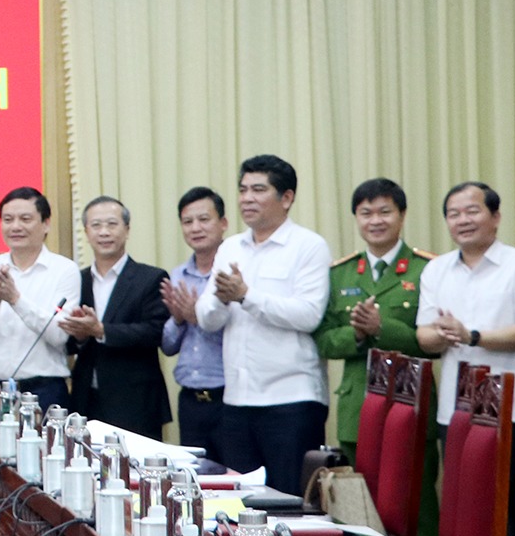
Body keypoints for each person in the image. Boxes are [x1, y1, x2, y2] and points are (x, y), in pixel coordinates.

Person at [414, 181, 515, 536]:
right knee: (464, 511)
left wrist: (471, 335)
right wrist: (441, 335)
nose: (462, 220)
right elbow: (423, 336)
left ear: (496, 216)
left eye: (472, 211)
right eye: (453, 214)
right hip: (455, 410)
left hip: (511, 409)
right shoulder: (436, 270)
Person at [195, 156, 332, 496]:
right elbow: (207, 319)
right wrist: (222, 299)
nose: (247, 198)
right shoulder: (230, 247)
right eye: (242, 190)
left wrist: (245, 295)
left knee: (290, 500)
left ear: (287, 198)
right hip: (237, 400)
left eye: (258, 190)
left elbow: (308, 314)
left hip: (291, 400)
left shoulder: (308, 246)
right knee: (243, 501)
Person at [314, 178, 434, 472]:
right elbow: (324, 341)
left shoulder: (427, 269)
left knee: (415, 495)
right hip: (357, 406)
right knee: (358, 496)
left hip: (411, 402)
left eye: (385, 212)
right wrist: (356, 333)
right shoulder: (339, 273)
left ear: (402, 215)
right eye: (366, 213)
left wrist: (381, 329)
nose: (376, 221)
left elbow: (435, 344)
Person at [0, 187, 81, 413]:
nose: (15, 227)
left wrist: (15, 299)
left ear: (46, 224)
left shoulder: (65, 270)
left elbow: (59, 336)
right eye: (8, 220)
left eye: (25, 219)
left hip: (47, 388)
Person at [63, 197, 170, 441]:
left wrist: (101, 330)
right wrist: (80, 337)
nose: (104, 232)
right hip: (86, 398)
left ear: (127, 229)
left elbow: (155, 331)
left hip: (135, 400)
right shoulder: (77, 280)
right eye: (96, 225)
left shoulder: (150, 278)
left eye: (112, 224)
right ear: (86, 232)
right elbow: (68, 342)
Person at [161, 187, 230, 458]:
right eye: (187, 222)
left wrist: (196, 317)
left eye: (204, 219)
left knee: (233, 473)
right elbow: (168, 346)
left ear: (223, 223)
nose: (195, 228)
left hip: (229, 397)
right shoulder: (178, 275)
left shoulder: (233, 273)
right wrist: (178, 320)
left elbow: (241, 334)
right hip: (190, 399)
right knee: (195, 474)